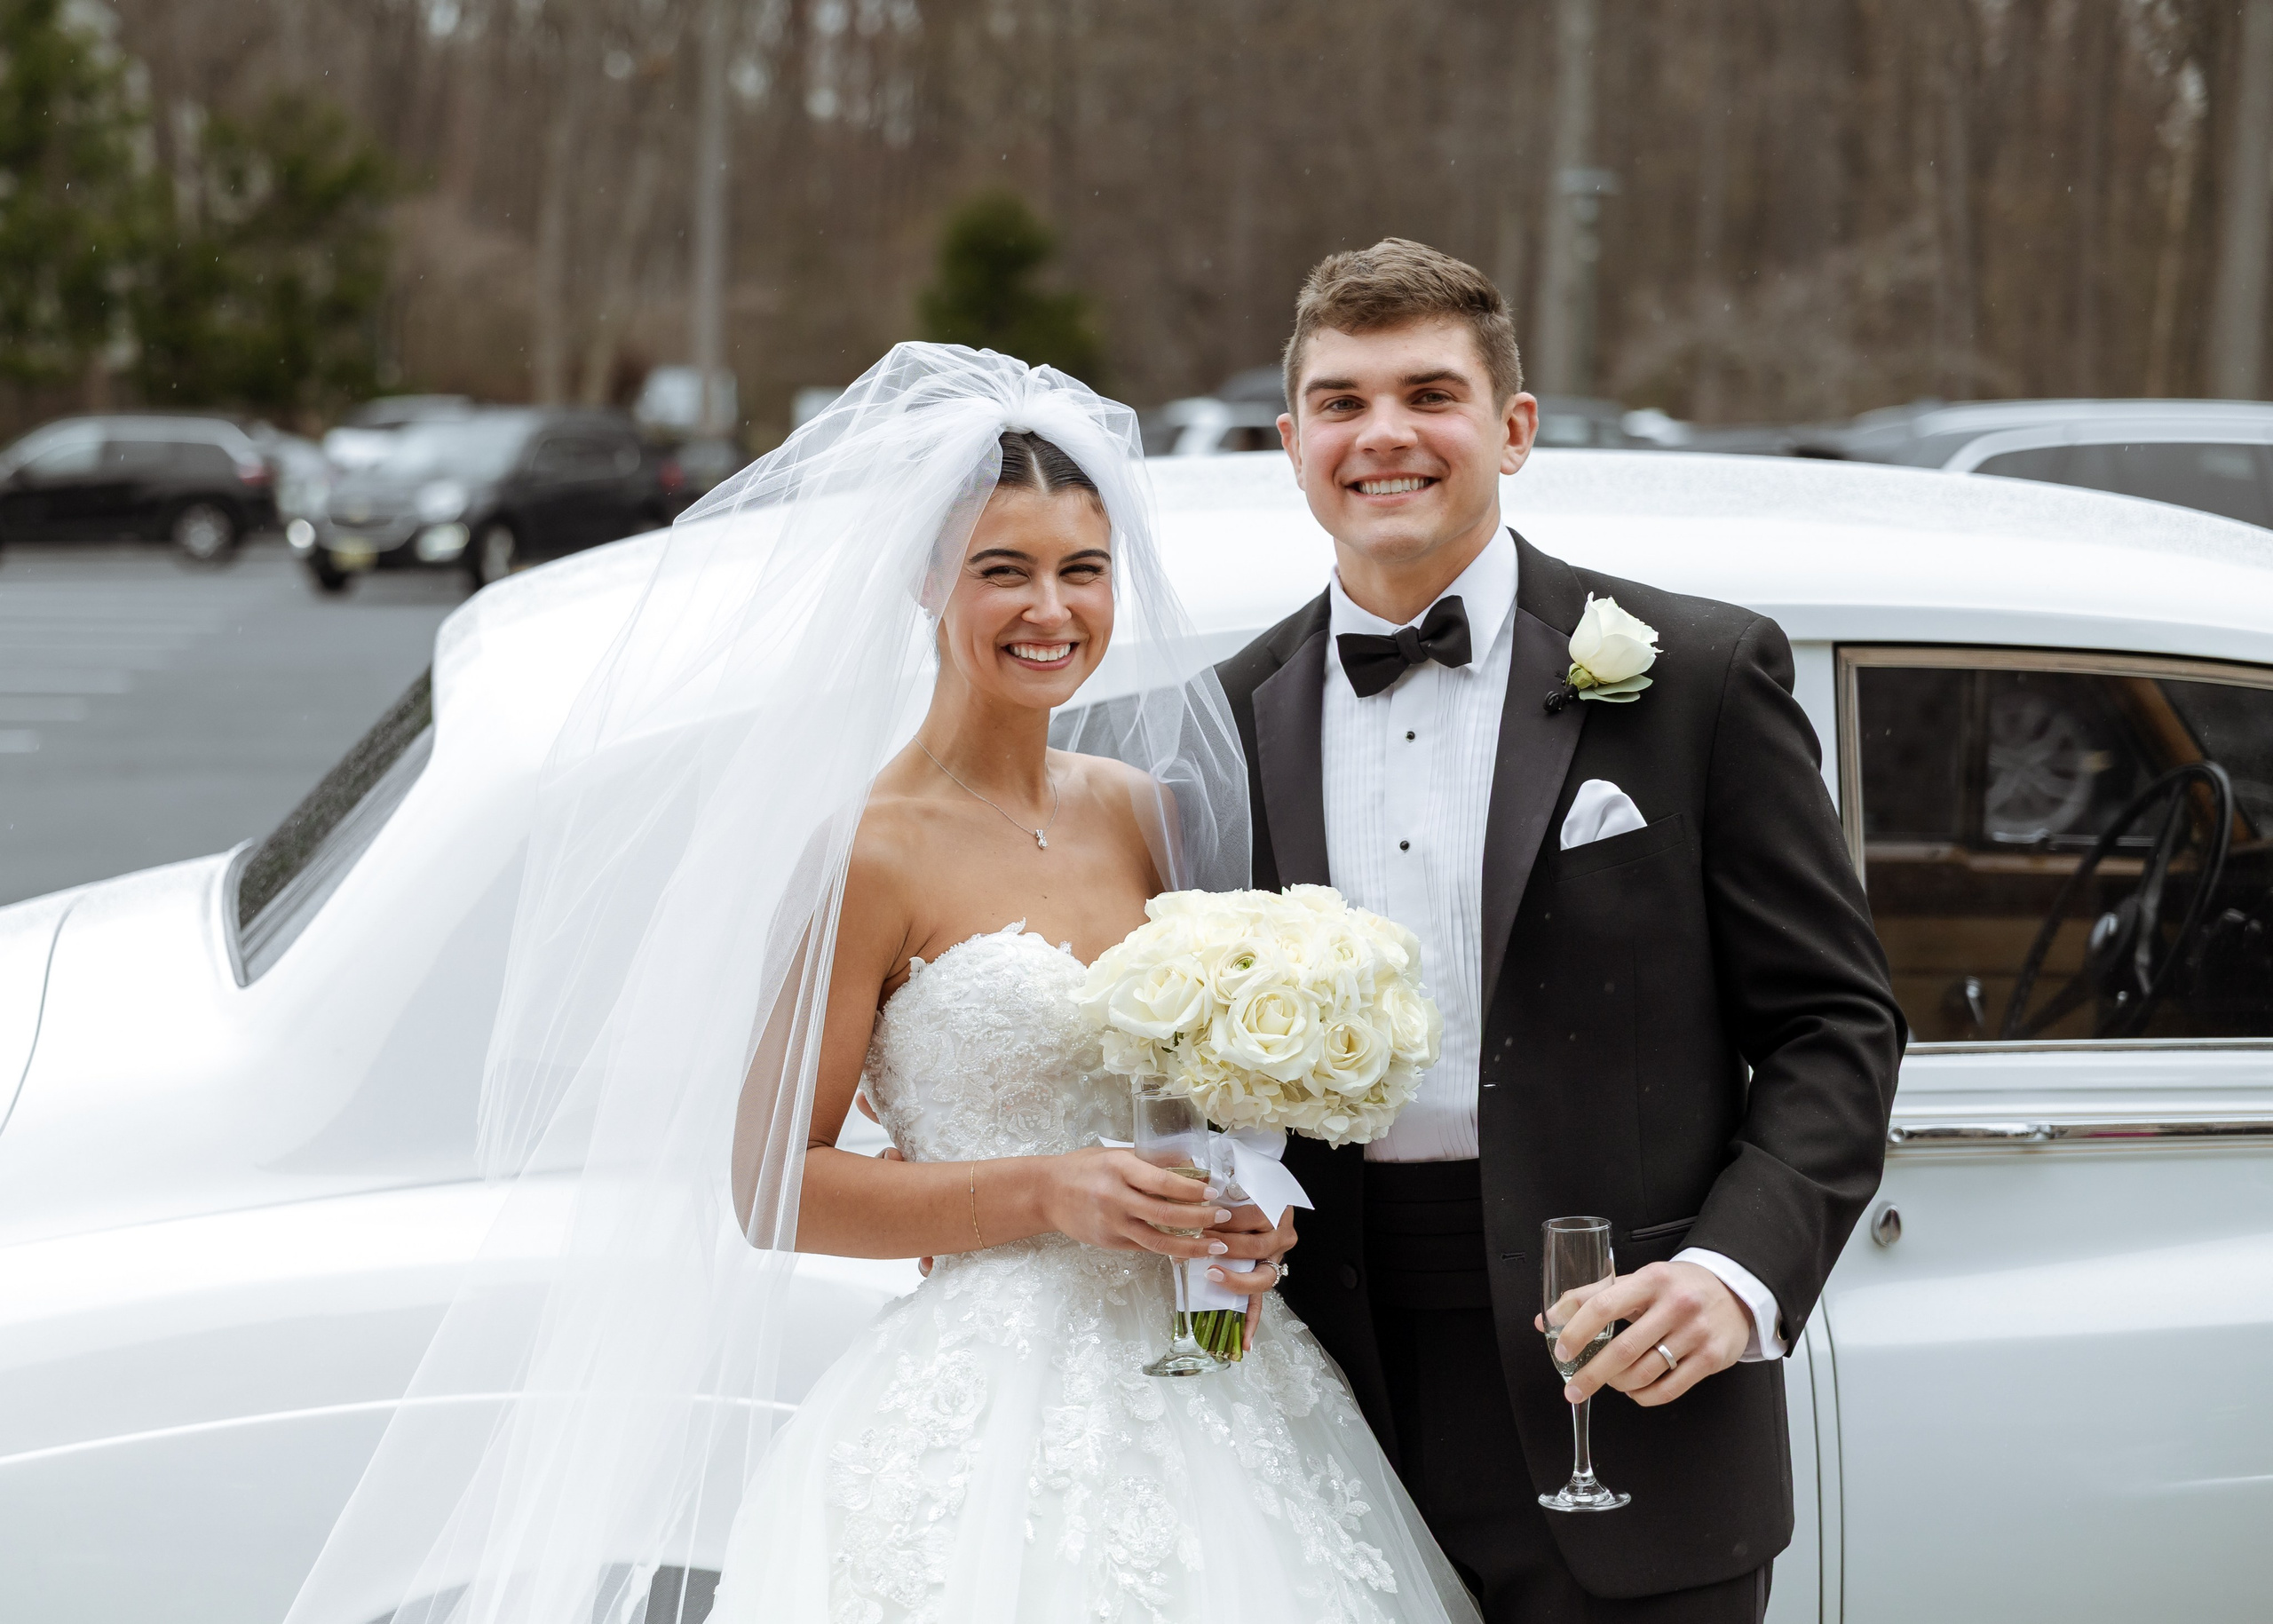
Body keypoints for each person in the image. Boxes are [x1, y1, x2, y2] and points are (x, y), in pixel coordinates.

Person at [285, 345, 1481, 1624]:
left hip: (1219, 1381)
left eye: (1083, 571)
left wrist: (1249, 1210)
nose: (1051, 610)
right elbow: (769, 1183)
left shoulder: (1145, 813)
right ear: (926, 582)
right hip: (984, 1408)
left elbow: (1204, 1106)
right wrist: (1044, 1188)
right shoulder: (867, 848)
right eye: (1002, 571)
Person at [1214, 240, 1906, 1623]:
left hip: (1627, 1381)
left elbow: (1837, 1024)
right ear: (1292, 443)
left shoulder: (1695, 676)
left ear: (1514, 428)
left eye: (1430, 392)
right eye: (1342, 402)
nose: (1384, 434)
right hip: (1312, 1401)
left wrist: (1733, 1273)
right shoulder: (1223, 719)